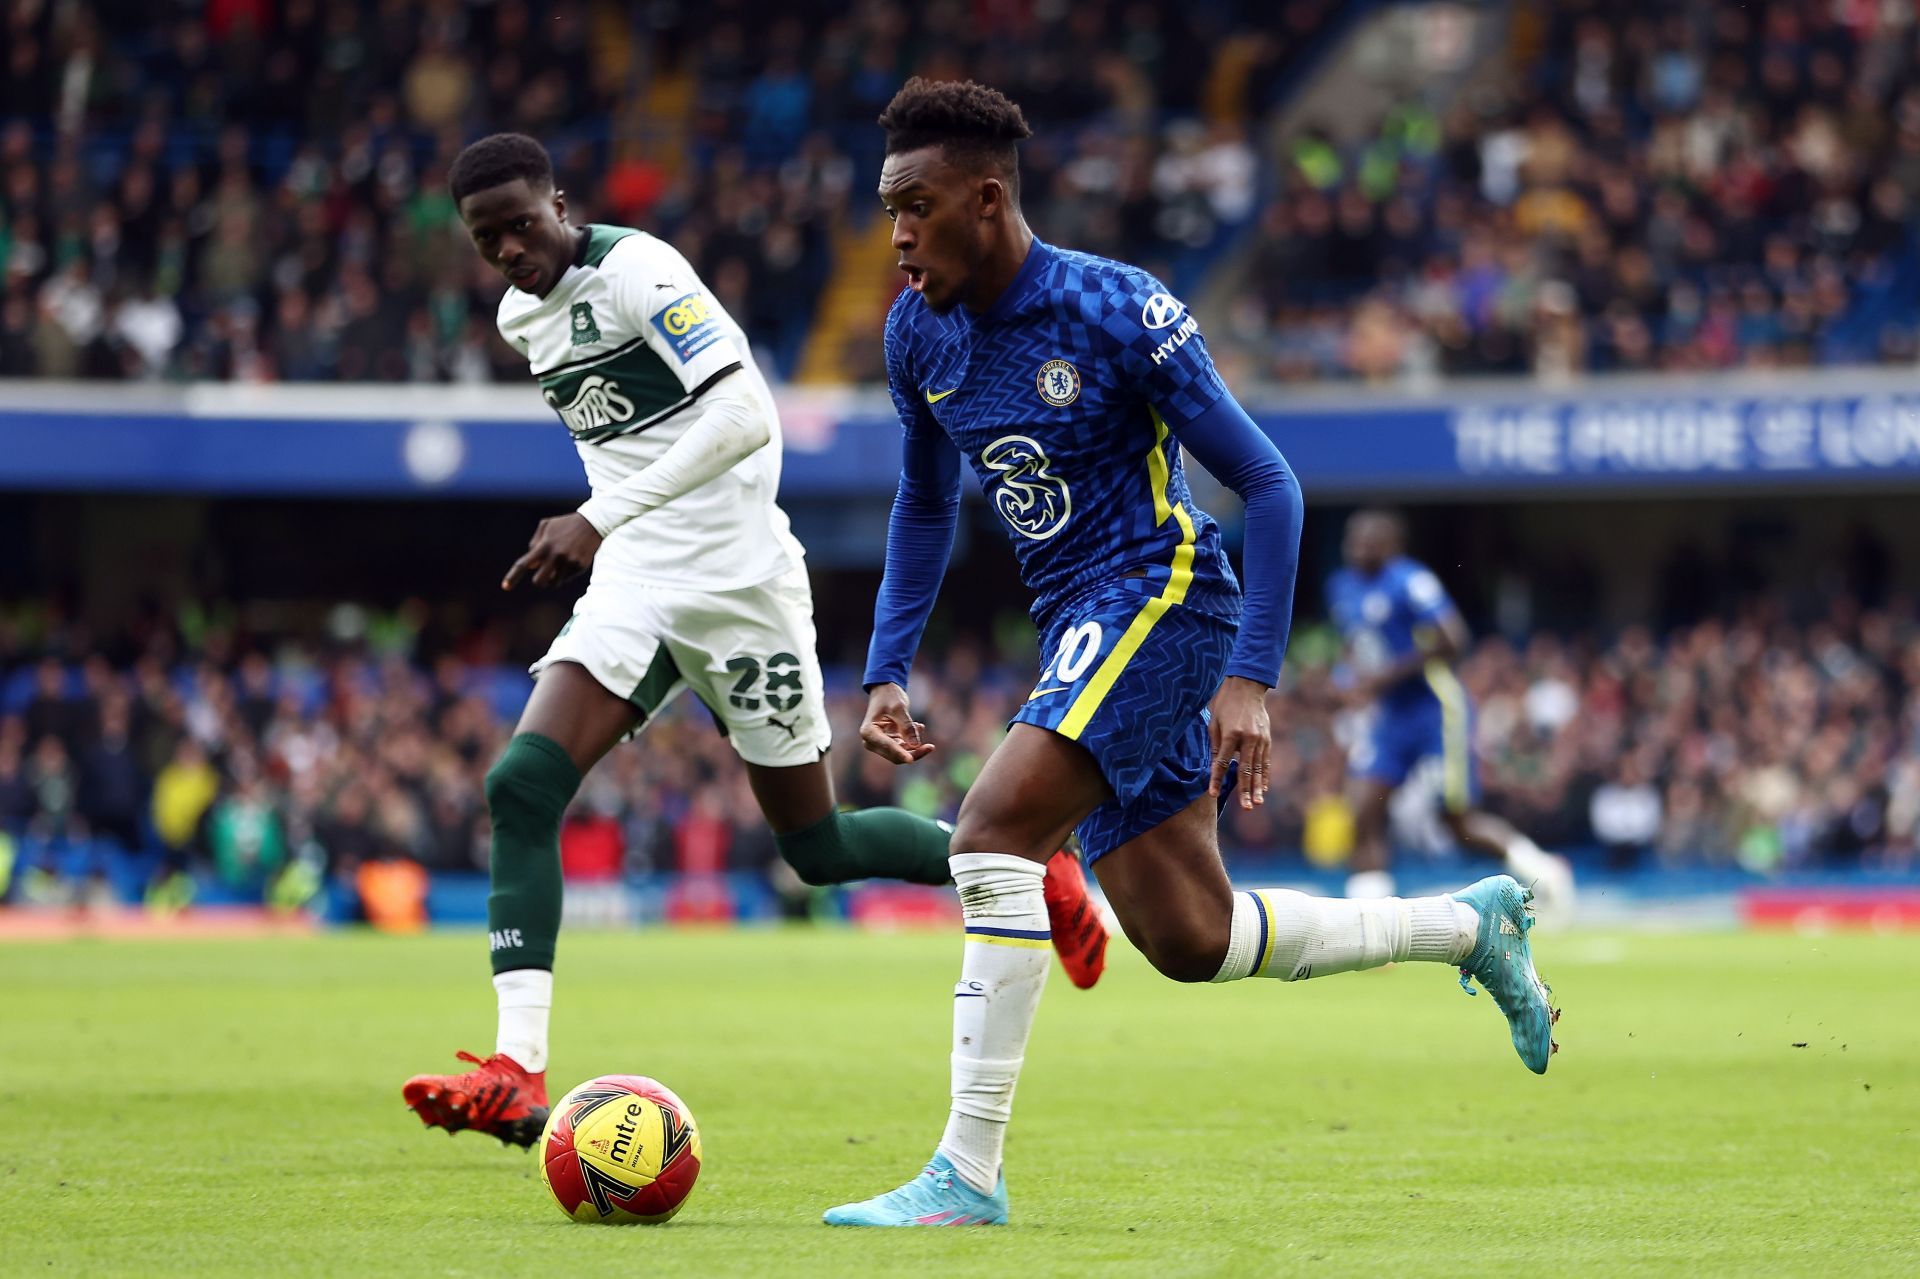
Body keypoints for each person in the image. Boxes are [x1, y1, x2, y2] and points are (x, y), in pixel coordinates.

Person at [824, 80, 1559, 1228]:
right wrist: (885, 665)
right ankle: (1469, 924)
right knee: (1188, 937)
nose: (899, 237)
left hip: (1163, 595)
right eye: (887, 211)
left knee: (992, 833)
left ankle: (965, 1174)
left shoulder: (1117, 310)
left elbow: (1270, 483)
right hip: (1080, 617)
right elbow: (924, 502)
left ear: (987, 196)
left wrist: (1251, 679)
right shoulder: (916, 329)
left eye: (915, 206)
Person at [401, 133, 1108, 1148]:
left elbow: (743, 411)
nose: (510, 249)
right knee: (519, 784)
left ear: (561, 202)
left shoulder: (638, 270)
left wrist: (599, 515)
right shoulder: (524, 319)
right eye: (487, 238)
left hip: (740, 585)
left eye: (523, 222)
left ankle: (1034, 865)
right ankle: (516, 1069)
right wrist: (615, 528)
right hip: (641, 580)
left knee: (815, 848)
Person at [1326, 510, 1575, 916]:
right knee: (1363, 809)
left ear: (1390, 545)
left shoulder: (1410, 581)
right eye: (1351, 541)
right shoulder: (1341, 587)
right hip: (1390, 715)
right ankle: (1369, 922)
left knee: (1455, 820)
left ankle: (1544, 874)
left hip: (1436, 708)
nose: (1354, 549)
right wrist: (1347, 678)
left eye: (1365, 541)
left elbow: (1453, 639)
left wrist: (1381, 678)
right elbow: (1359, 644)